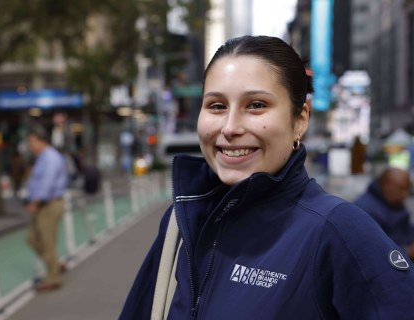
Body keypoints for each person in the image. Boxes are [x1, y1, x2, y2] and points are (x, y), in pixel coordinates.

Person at [120, 36, 414, 319]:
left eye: (256, 105)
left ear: (300, 119)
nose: (230, 127)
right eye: (217, 106)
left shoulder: (340, 231)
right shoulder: (180, 221)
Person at [25, 125, 68, 293]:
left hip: (48, 204)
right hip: (44, 203)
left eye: (31, 142)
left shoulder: (50, 158)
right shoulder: (43, 157)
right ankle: (55, 264)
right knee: (32, 238)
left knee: (47, 241)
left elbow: (47, 183)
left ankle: (53, 277)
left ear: (40, 140)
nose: (30, 146)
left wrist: (36, 201)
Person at [354, 167, 414, 260]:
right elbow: (372, 249)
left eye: (407, 189)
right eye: (401, 188)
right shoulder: (365, 210)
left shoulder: (392, 202)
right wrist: (406, 251)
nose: (404, 194)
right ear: (386, 185)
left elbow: (404, 229)